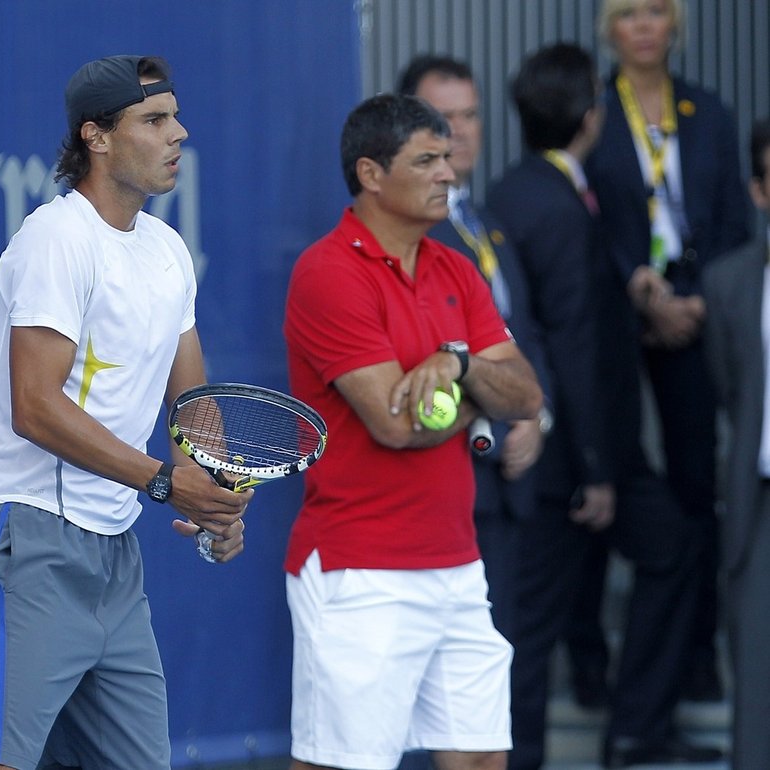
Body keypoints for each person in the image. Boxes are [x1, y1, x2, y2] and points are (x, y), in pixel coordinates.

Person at [0, 55, 252, 770]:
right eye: (154, 119)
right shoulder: (57, 239)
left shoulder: (167, 250)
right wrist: (166, 483)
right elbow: (35, 407)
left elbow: (193, 404)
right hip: (24, 538)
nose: (179, 132)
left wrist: (217, 503)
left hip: (115, 557)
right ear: (97, 137)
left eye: (174, 115)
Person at [283, 93, 543, 770]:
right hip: (359, 569)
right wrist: (477, 395)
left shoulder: (457, 266)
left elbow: (525, 393)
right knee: (343, 765)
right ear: (371, 174)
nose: (448, 173)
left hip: (456, 562)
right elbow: (396, 425)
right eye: (426, 160)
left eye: (448, 158)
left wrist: (453, 362)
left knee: (482, 759)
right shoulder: (327, 271)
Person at [486, 43, 718, 769]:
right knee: (531, 623)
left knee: (653, 557)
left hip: (567, 449)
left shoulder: (514, 191)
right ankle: (589, 740)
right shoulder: (556, 205)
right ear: (590, 118)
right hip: (574, 458)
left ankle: (629, 729)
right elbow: (575, 342)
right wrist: (596, 470)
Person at [586, 0, 750, 702]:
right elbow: (584, 216)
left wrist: (701, 300)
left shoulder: (707, 111)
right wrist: (638, 289)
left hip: (699, 305)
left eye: (657, 11)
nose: (645, 25)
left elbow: (738, 224)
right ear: (610, 31)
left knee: (695, 480)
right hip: (618, 315)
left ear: (675, 26)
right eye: (629, 14)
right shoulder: (592, 111)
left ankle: (698, 653)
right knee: (605, 472)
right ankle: (596, 659)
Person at [398, 55, 551, 645]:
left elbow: (524, 334)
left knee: (495, 675)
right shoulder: (409, 233)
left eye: (470, 115)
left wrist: (538, 413)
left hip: (512, 483)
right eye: (443, 117)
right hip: (446, 485)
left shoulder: (484, 221)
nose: (459, 132)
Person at [702, 117, 770, 770]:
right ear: (759, 190)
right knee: (756, 670)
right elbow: (730, 388)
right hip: (761, 499)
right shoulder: (728, 282)